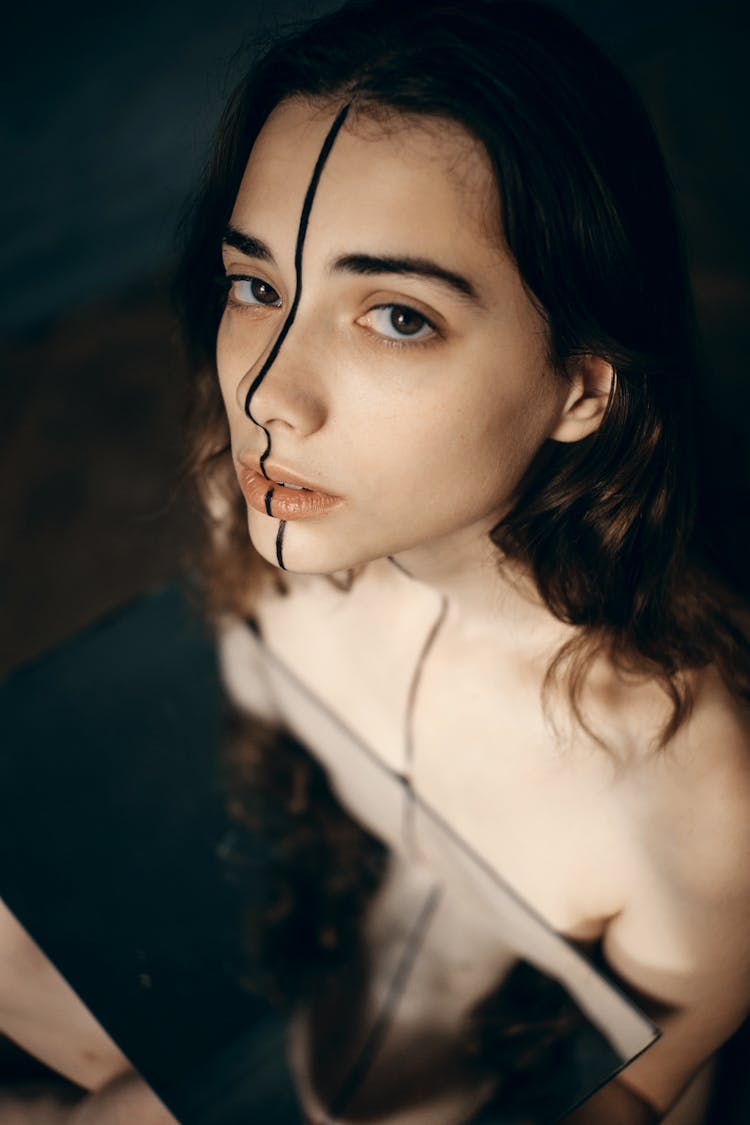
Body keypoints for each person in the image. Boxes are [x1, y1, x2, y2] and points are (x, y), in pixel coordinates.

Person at [175, 0, 750, 1121]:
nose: (263, 399)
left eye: (395, 316)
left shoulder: (681, 785)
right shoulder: (243, 515)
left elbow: (657, 1072)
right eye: (258, 287)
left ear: (584, 387)